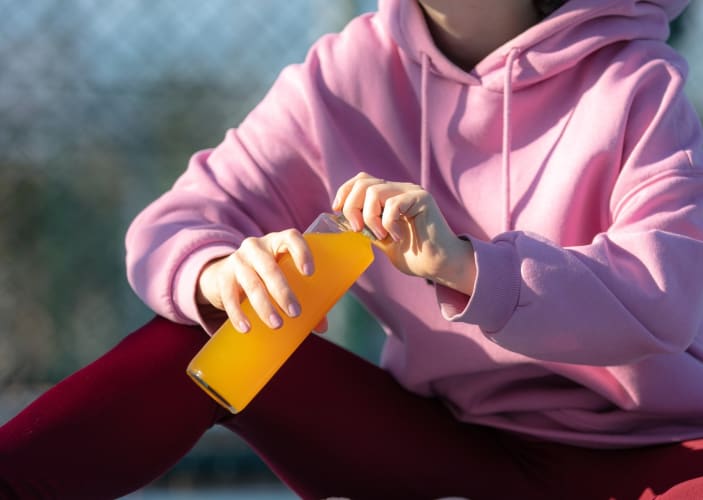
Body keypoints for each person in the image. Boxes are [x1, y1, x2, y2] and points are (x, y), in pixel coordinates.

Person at [2, 0, 703, 498]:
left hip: (647, 456)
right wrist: (219, 272)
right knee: (209, 336)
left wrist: (467, 266)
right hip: (448, 446)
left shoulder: (636, 82)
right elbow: (176, 222)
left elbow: (663, 296)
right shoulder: (345, 73)